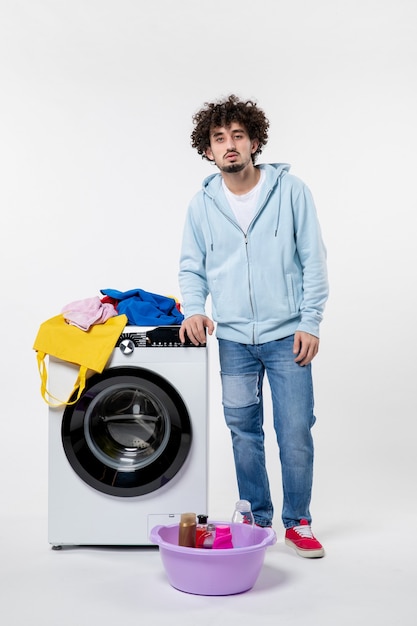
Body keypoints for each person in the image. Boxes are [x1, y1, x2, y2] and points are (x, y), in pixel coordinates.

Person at [178, 95, 329, 558]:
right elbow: (192, 267)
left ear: (255, 142)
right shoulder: (202, 204)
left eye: (238, 136)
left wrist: (311, 321)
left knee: (295, 430)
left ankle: (298, 522)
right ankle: (257, 519)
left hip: (289, 337)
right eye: (219, 138)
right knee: (243, 431)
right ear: (207, 150)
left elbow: (313, 261)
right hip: (235, 340)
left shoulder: (291, 191)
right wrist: (193, 309)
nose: (229, 145)